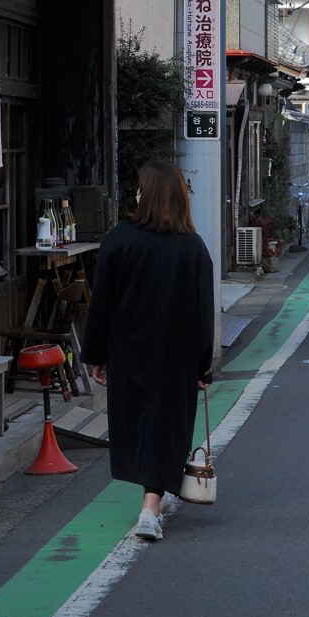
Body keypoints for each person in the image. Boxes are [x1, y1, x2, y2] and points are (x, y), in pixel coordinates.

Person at [80, 161, 214, 542]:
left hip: (129, 352)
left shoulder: (119, 239)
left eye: (139, 189)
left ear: (147, 195)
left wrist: (97, 354)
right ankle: (151, 507)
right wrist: (203, 366)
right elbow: (204, 312)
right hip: (177, 356)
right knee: (167, 425)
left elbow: (101, 301)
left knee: (138, 423)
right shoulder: (192, 246)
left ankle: (153, 500)